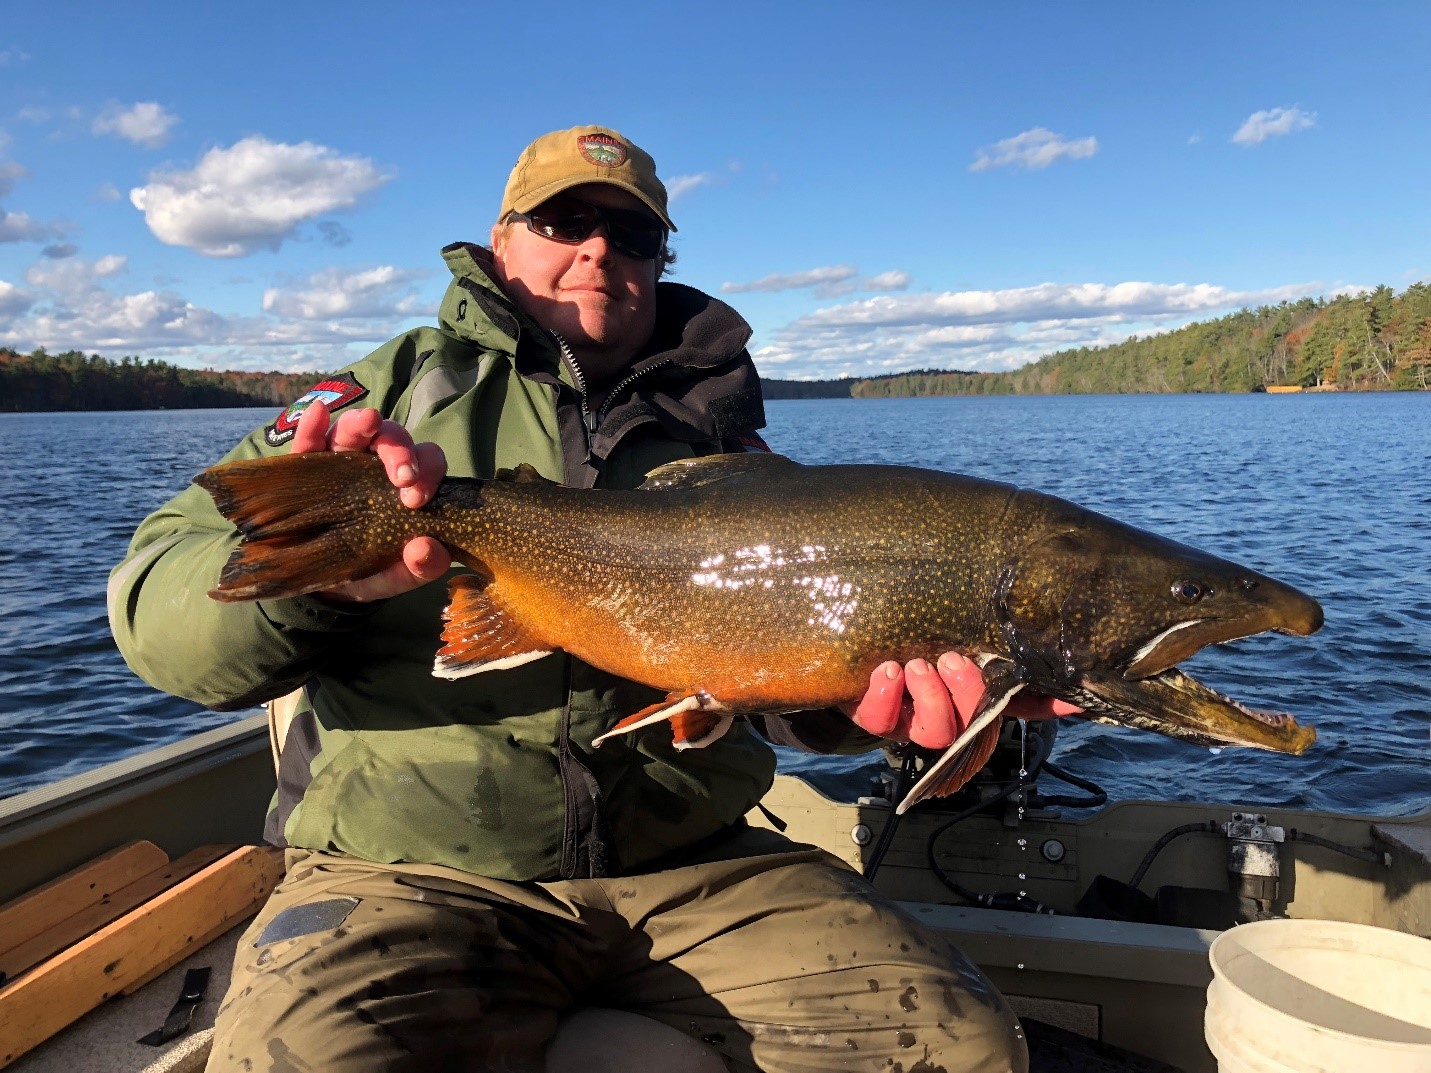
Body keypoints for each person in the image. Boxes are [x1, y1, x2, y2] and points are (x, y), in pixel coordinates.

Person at [110, 125, 1077, 1073]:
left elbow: (781, 709)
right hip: (408, 869)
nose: (598, 250)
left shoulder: (734, 450)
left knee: (966, 1046)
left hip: (702, 865)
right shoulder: (379, 404)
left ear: (659, 259)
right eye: (564, 219)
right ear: (502, 240)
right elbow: (161, 626)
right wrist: (318, 580)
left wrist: (880, 716)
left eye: (633, 234)